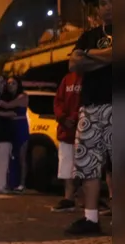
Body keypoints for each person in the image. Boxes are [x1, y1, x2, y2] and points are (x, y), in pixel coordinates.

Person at [66, 0, 112, 234]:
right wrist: (105, 57)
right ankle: (91, 219)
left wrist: (89, 57)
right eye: (103, 2)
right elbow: (74, 63)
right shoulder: (89, 34)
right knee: (88, 164)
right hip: (91, 106)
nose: (108, 6)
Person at [51, 71, 83, 212]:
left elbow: (87, 101)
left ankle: (86, 200)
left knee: (83, 168)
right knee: (66, 166)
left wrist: (75, 117)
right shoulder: (67, 79)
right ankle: (68, 198)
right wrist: (63, 117)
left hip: (82, 129)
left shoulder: (89, 77)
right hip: (65, 130)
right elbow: (58, 100)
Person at [0, 77, 29, 192]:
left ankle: (22, 183)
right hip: (11, 128)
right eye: (9, 83)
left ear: (18, 84)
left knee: (21, 156)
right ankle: (11, 182)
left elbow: (8, 106)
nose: (11, 85)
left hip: (21, 127)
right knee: (11, 156)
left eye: (13, 83)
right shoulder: (9, 97)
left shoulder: (23, 96)